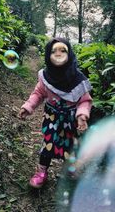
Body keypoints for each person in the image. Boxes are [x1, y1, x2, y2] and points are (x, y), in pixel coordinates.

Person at [18, 37, 93, 188]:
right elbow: (38, 93)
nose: (58, 54)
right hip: (52, 118)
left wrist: (82, 116)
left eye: (63, 50)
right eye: (53, 51)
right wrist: (28, 107)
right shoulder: (46, 77)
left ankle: (70, 169)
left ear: (70, 54)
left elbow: (85, 100)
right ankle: (41, 172)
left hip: (71, 120)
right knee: (48, 144)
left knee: (70, 146)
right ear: (47, 55)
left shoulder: (78, 79)